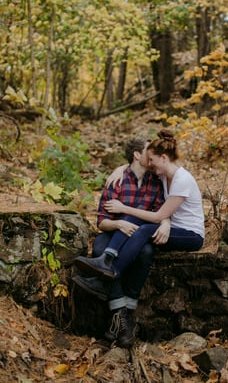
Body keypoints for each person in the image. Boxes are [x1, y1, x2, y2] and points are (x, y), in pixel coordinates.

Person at [74, 129, 205, 291]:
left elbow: (158, 216)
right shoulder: (164, 175)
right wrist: (121, 168)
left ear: (163, 158)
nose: (150, 163)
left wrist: (123, 208)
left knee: (142, 230)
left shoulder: (182, 179)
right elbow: (136, 166)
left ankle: (111, 274)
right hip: (171, 228)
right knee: (134, 218)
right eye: (148, 159)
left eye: (152, 160)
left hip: (190, 234)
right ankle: (106, 259)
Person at [73, 136, 169, 348]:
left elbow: (163, 209)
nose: (152, 155)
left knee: (145, 252)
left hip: (140, 235)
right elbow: (101, 222)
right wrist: (119, 225)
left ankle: (121, 317)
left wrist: (166, 222)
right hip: (112, 234)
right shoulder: (117, 180)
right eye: (148, 151)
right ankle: (124, 319)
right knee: (99, 247)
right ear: (137, 155)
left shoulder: (156, 181)